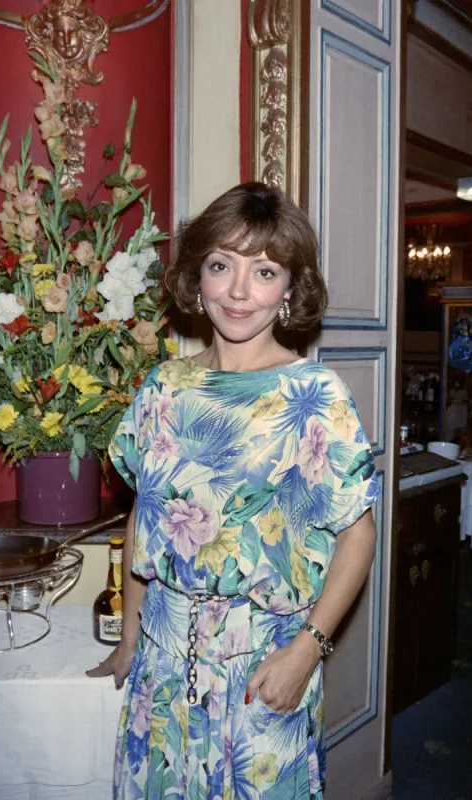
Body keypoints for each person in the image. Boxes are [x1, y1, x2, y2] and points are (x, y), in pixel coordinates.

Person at [87, 181, 380, 799]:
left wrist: (309, 652)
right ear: (198, 279)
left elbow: (359, 536)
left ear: (290, 290)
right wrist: (134, 636)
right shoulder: (163, 388)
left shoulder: (316, 397)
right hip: (163, 665)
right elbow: (147, 513)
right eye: (221, 266)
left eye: (265, 271)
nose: (239, 291)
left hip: (266, 662)